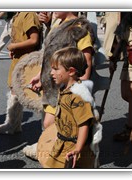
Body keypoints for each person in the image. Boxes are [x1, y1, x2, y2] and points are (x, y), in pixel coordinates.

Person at [23, 12, 95, 160]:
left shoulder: (80, 28)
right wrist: (41, 76)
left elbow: (86, 60)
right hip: (53, 85)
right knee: (49, 123)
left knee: (54, 124)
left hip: (67, 87)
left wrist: (79, 87)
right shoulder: (57, 23)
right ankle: (55, 152)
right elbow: (49, 55)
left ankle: (61, 154)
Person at [45, 47, 101, 168]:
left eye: (55, 69)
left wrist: (78, 149)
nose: (51, 72)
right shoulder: (64, 89)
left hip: (73, 148)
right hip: (62, 143)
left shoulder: (78, 96)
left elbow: (83, 125)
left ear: (70, 71)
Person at [0, 12, 42, 134]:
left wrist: (14, 46)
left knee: (31, 95)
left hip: (27, 62)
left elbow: (34, 40)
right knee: (14, 91)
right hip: (18, 59)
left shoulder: (29, 15)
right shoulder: (18, 14)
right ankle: (13, 124)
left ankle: (15, 125)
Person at [109, 12, 132, 142]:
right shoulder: (126, 19)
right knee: (126, 94)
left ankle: (131, 128)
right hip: (129, 60)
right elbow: (120, 40)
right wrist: (113, 58)